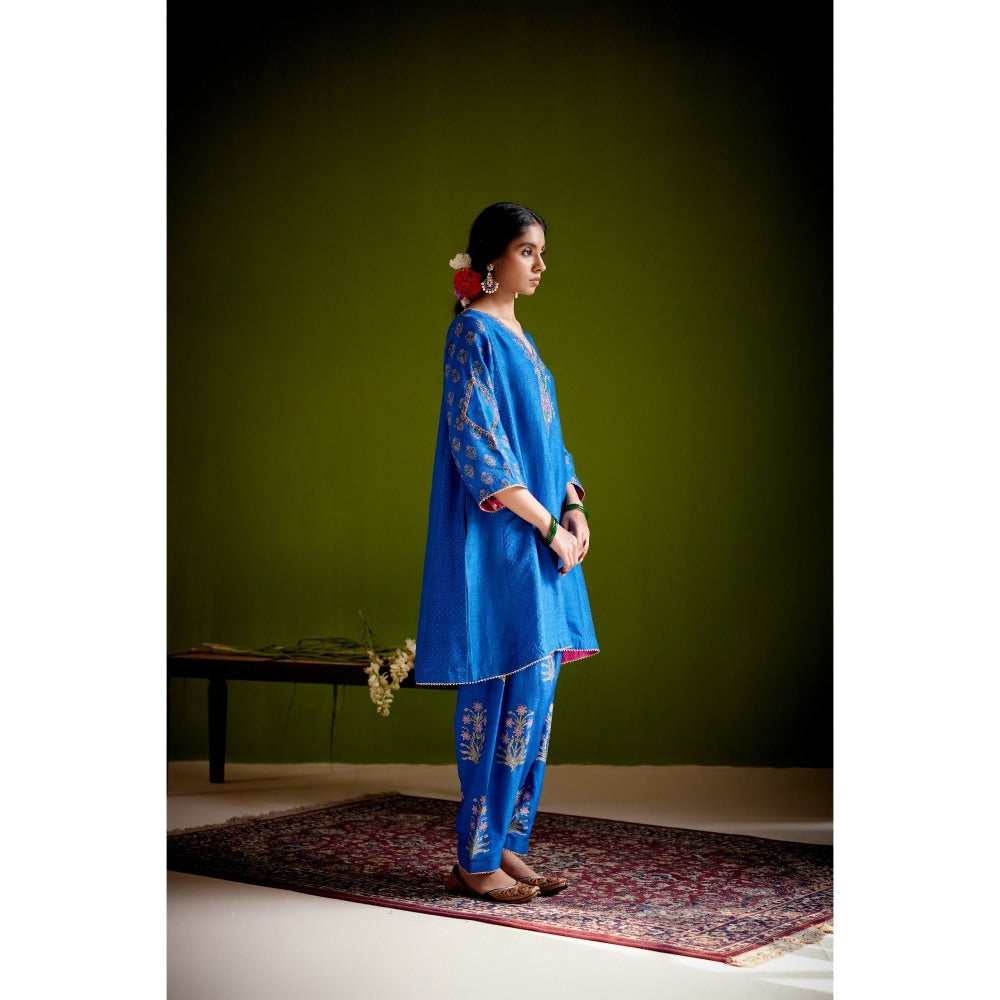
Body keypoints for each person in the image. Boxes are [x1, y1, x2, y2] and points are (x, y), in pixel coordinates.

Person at [415, 202, 599, 903]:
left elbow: (550, 442)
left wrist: (573, 504)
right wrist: (549, 529)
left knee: (536, 696)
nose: (541, 264)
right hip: (501, 545)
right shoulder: (472, 334)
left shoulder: (521, 335)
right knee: (497, 693)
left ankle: (507, 844)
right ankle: (475, 856)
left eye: (542, 251)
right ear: (491, 259)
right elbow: (481, 448)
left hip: (543, 539)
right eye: (528, 251)